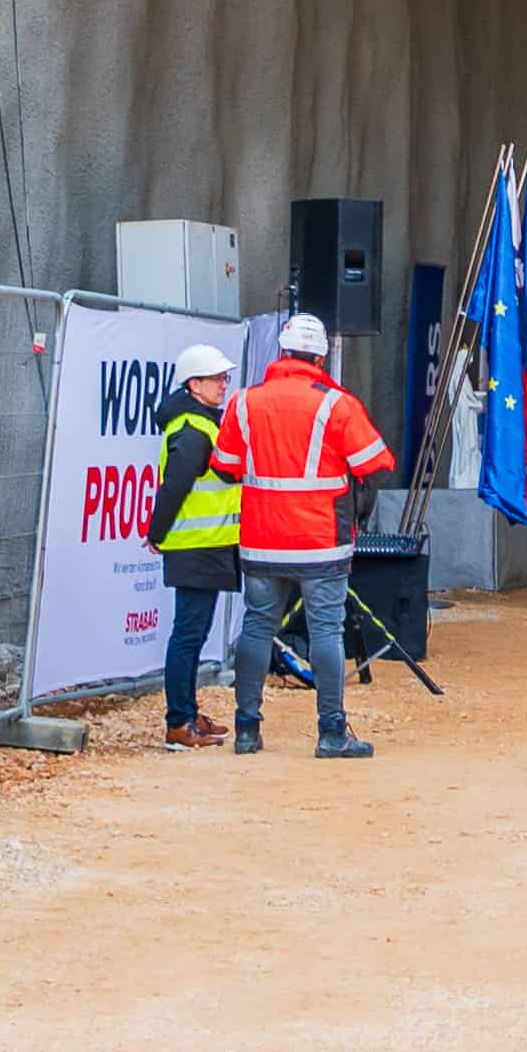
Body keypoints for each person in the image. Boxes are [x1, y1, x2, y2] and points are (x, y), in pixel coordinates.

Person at [212, 313, 396, 758]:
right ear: (321, 356)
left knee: (257, 627)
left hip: (261, 537)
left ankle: (246, 730)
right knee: (326, 632)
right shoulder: (336, 403)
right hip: (320, 539)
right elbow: (377, 463)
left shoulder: (242, 402)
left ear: (281, 351)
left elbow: (223, 468)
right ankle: (332, 733)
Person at [139, 342, 240, 749]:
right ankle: (179, 723)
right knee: (188, 635)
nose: (223, 385)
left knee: (193, 635)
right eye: (216, 379)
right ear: (194, 384)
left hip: (207, 545)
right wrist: (157, 533)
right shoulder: (193, 429)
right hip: (197, 546)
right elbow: (176, 485)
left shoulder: (200, 424)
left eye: (224, 378)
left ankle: (186, 713)